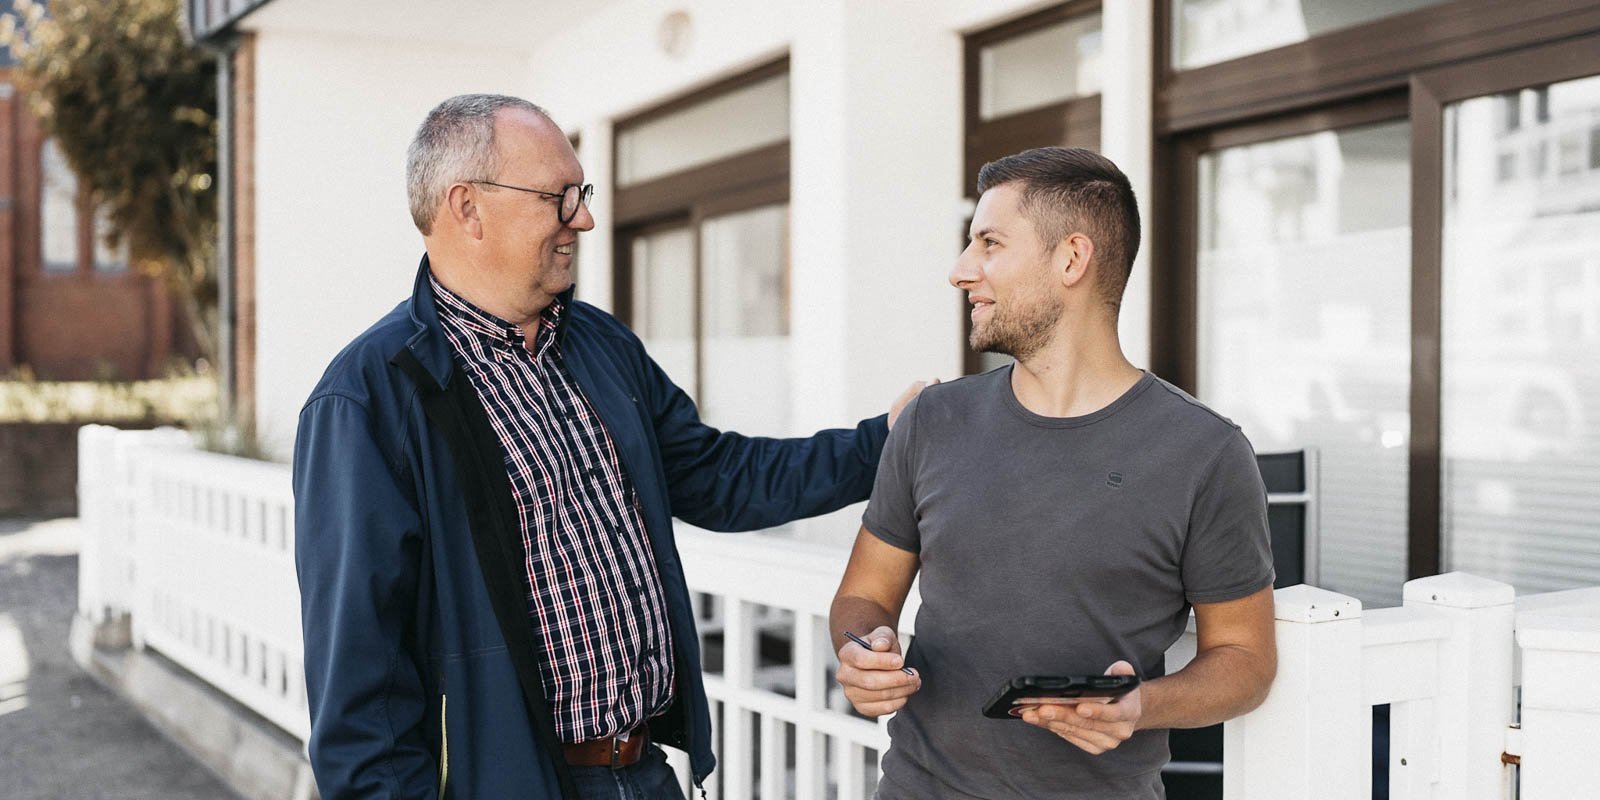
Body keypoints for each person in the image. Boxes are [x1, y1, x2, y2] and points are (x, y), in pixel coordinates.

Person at [293, 94, 925, 800]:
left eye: (582, 194)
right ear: (467, 208)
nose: (584, 219)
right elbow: (360, 685)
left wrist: (889, 442)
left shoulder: (599, 344)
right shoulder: (368, 399)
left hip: (644, 772)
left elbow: (719, 476)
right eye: (558, 197)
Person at [829, 147, 1277, 799]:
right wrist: (861, 648)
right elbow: (865, 594)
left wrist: (1140, 706)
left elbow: (1246, 660)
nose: (960, 271)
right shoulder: (931, 420)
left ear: (1072, 259)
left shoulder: (1206, 453)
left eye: (989, 243)